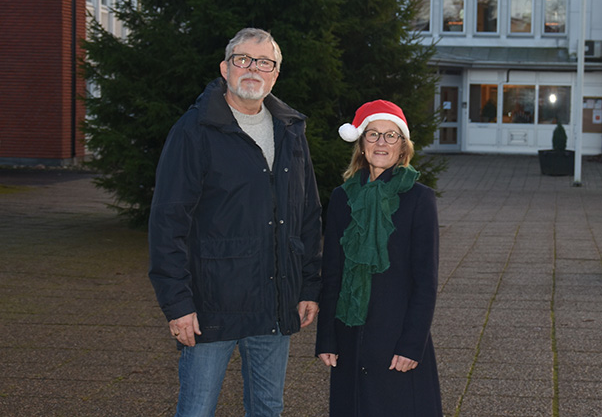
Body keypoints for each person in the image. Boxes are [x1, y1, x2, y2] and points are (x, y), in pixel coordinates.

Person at [148, 27, 322, 417]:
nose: (252, 69)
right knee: (196, 408)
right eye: (242, 60)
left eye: (264, 62)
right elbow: (167, 222)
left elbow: (307, 213)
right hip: (211, 306)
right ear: (225, 68)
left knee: (268, 407)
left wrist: (309, 285)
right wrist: (177, 304)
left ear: (276, 73)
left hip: (274, 303)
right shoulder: (194, 131)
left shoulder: (291, 131)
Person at [315, 100, 442, 416]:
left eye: (391, 135)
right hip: (349, 337)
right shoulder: (343, 197)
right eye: (373, 134)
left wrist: (412, 344)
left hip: (396, 339)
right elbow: (332, 272)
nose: (381, 143)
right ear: (360, 143)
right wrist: (327, 338)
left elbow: (426, 281)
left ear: (403, 147)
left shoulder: (419, 199)